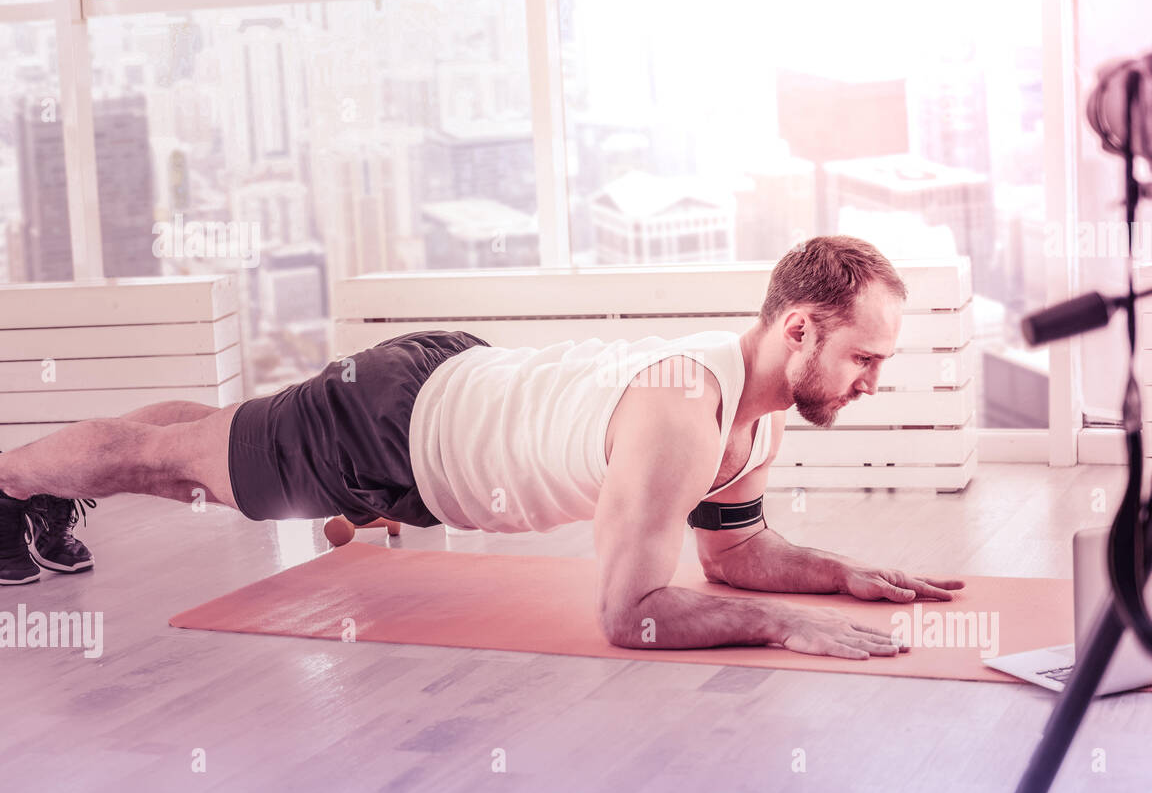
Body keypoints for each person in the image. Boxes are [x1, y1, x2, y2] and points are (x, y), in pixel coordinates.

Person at [0, 235, 963, 658]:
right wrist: (781, 626)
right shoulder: (685, 412)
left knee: (209, 446)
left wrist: (840, 575)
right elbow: (629, 616)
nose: (874, 380)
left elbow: (738, 553)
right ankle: (10, 484)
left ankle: (51, 490)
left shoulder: (751, 420)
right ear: (799, 329)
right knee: (175, 463)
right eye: (865, 357)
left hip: (440, 388)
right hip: (390, 432)